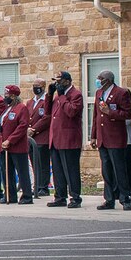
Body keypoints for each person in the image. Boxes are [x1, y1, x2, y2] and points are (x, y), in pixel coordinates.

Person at [90, 69, 131, 211]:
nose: (97, 80)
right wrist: (93, 136)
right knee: (106, 170)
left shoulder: (121, 93)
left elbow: (128, 113)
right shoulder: (99, 93)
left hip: (115, 138)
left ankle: (125, 198)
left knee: (119, 169)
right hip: (102, 137)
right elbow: (96, 115)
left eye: (100, 78)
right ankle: (109, 199)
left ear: (107, 80)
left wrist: (111, 112)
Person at [46, 71, 84, 208]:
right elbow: (47, 112)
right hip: (55, 139)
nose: (57, 83)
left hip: (69, 139)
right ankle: (60, 197)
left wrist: (62, 96)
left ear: (67, 81)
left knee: (71, 170)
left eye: (59, 81)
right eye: (55, 81)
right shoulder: (57, 97)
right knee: (58, 171)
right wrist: (50, 95)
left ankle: (75, 197)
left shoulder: (76, 95)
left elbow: (71, 112)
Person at [0, 84, 34, 204]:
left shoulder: (21, 108)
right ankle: (10, 195)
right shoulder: (7, 109)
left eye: (7, 95)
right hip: (4, 147)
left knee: (22, 172)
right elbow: (1, 129)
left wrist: (10, 140)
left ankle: (27, 196)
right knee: (6, 172)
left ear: (13, 96)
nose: (5, 97)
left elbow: (22, 127)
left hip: (17, 147)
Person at [25, 79, 54, 199]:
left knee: (43, 163)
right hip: (31, 138)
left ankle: (43, 187)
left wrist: (34, 129)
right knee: (34, 162)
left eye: (38, 86)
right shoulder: (30, 102)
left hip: (42, 136)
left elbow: (46, 117)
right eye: (34, 86)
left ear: (43, 86)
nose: (36, 88)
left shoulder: (46, 101)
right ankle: (36, 186)